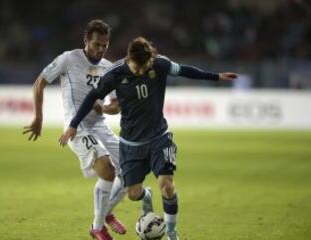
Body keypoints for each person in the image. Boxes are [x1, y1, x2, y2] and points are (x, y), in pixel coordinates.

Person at [59, 36, 238, 240]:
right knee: (133, 193)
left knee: (167, 185)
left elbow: (186, 71)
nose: (140, 71)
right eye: (137, 67)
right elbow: (92, 96)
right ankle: (146, 196)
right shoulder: (115, 74)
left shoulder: (160, 64)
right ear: (129, 59)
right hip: (130, 145)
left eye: (144, 68)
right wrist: (73, 125)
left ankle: (171, 232)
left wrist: (216, 77)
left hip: (159, 139)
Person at [23, 19, 127, 240]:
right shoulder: (69, 59)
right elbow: (39, 82)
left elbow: (116, 105)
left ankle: (106, 214)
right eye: (97, 44)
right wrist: (38, 117)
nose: (100, 49)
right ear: (86, 40)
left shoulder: (109, 68)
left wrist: (104, 108)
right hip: (76, 129)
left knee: (131, 168)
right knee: (107, 169)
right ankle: (98, 228)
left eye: (105, 45)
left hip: (100, 127)